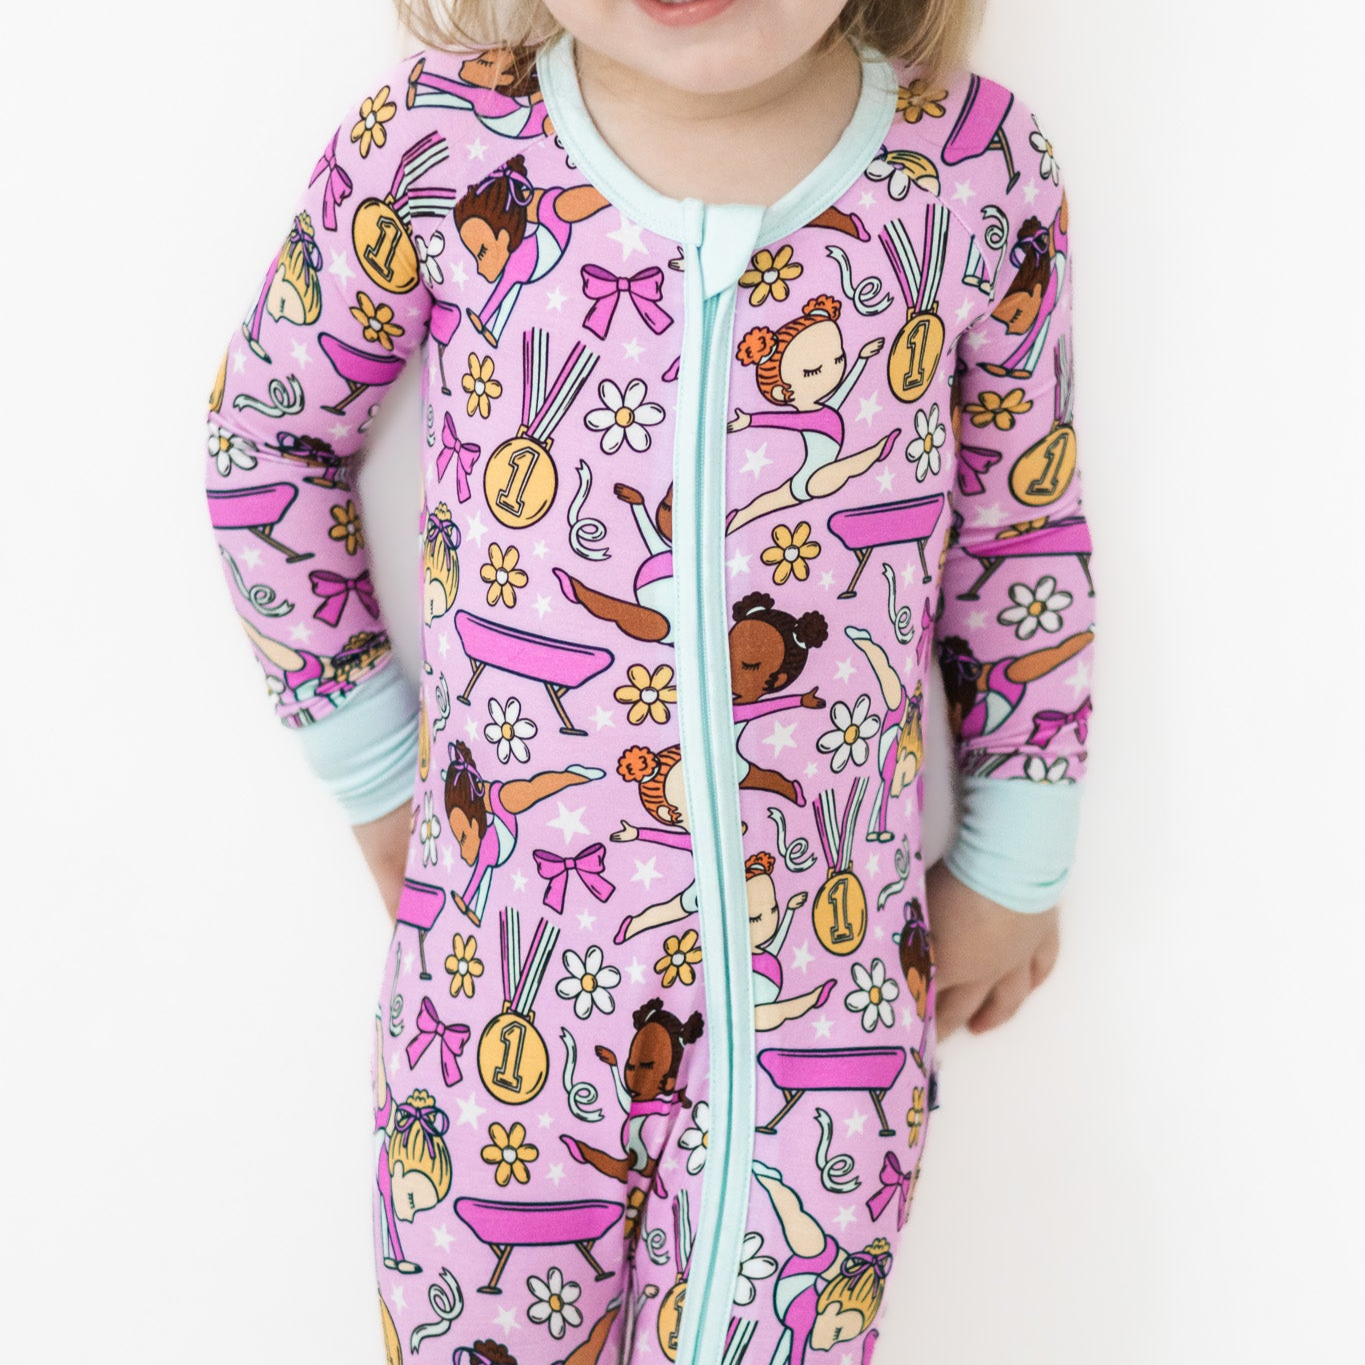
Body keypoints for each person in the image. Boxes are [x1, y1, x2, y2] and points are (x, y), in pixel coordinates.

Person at [203, 2, 1097, 1361]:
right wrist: (375, 767)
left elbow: (1021, 528)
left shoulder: (972, 166)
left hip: (830, 1005)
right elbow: (266, 445)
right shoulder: (440, 144)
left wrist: (1017, 853)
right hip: (502, 994)